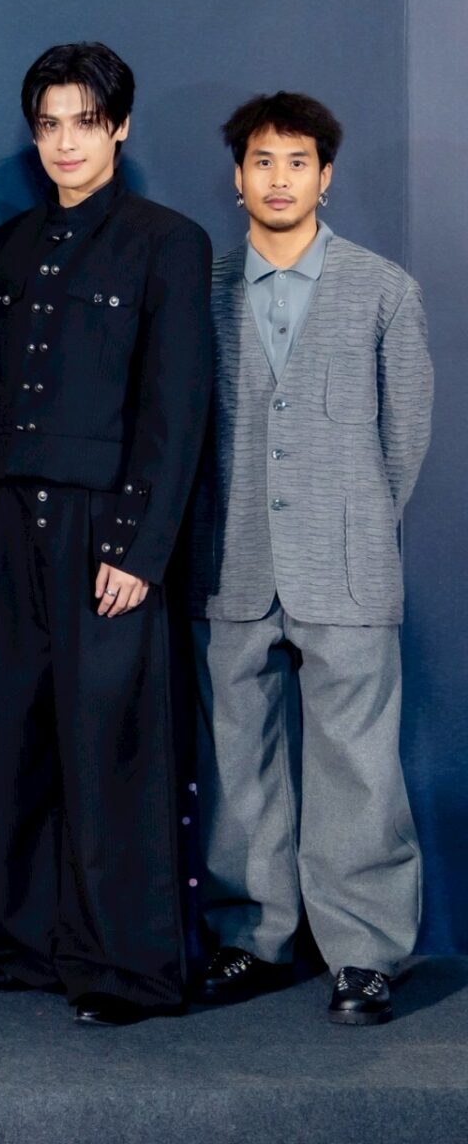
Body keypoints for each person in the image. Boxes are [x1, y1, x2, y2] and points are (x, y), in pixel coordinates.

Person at [0, 43, 212, 1026]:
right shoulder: (7, 246)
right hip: (12, 520)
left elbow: (175, 408)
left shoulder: (167, 242)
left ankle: (127, 968)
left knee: (112, 746)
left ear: (121, 128)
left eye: (86, 123)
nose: (66, 142)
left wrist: (139, 550)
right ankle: (23, 946)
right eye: (50, 124)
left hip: (107, 525)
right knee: (16, 736)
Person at [189, 92, 432, 1026]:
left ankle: (364, 955)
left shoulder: (384, 290)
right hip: (231, 560)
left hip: (348, 564)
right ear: (238, 177)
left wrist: (353, 521)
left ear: (326, 177)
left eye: (298, 162)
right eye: (263, 160)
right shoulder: (200, 286)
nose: (280, 178)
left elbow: (403, 440)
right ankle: (251, 937)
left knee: (358, 764)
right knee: (236, 759)